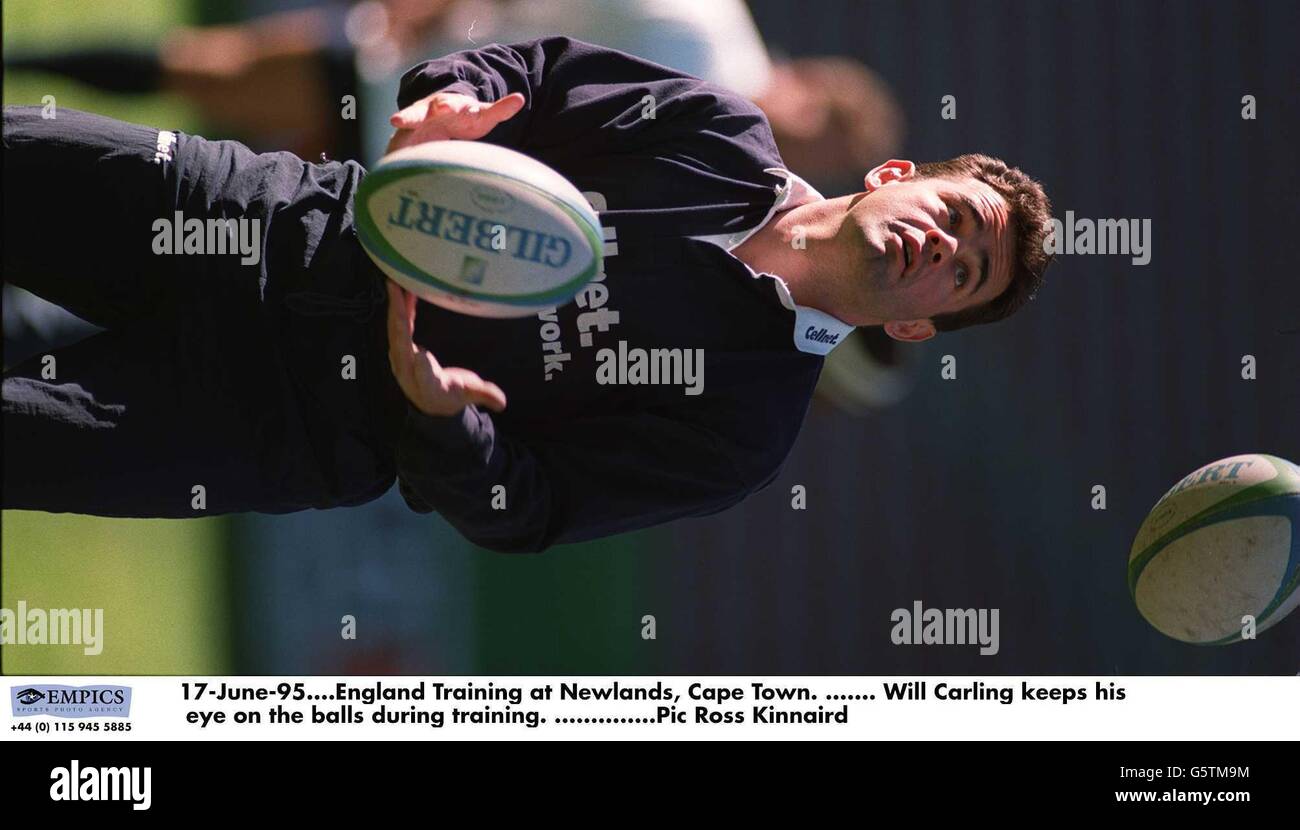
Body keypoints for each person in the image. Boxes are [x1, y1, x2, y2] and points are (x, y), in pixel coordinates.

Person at [2, 38, 1054, 552]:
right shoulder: (719, 133)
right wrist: (446, 101)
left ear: (918, 321)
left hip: (282, 423)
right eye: (955, 214)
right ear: (898, 177)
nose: (939, 244)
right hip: (272, 217)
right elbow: (531, 72)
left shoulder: (745, 427)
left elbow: (527, 510)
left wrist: (444, 419)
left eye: (962, 271)